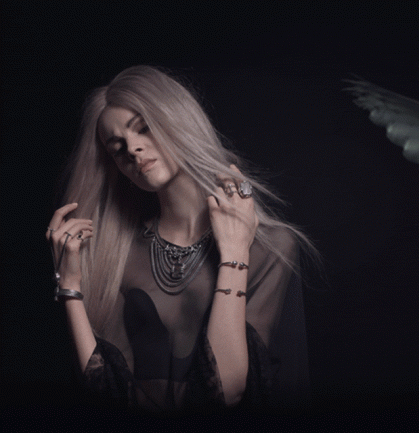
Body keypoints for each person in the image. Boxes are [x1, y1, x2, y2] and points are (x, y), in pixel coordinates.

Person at [45, 66, 313, 412]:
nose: (133, 149)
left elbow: (226, 392)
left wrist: (234, 251)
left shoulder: (272, 247)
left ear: (176, 120)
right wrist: (69, 285)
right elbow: (104, 391)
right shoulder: (120, 255)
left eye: (143, 128)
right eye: (117, 148)